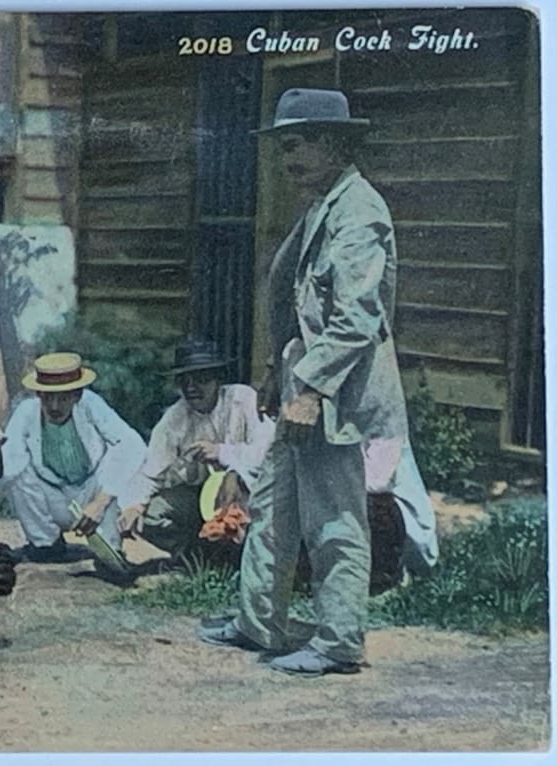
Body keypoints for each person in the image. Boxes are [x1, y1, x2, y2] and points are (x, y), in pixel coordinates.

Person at [197, 88, 409, 677]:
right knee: (271, 510)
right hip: (300, 390)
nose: (287, 157)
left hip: (333, 399)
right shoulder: (321, 205)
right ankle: (257, 621)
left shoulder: (359, 212)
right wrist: (275, 374)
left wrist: (311, 390)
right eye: (283, 145)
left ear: (334, 143)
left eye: (297, 143)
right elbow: (300, 304)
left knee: (334, 521)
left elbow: (357, 319)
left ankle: (339, 643)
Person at [0, 353, 144, 577]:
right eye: (47, 397)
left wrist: (99, 503)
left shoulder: (91, 404)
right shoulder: (27, 412)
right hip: (52, 496)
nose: (54, 406)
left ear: (77, 394)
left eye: (63, 397)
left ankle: (108, 546)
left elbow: (132, 445)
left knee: (115, 461)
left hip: (92, 492)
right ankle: (45, 543)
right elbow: (8, 472)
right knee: (20, 475)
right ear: (38, 394)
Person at [117, 338, 275, 563]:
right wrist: (133, 505)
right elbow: (151, 471)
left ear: (218, 379)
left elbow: (268, 450)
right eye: (184, 381)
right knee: (154, 512)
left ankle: (243, 557)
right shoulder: (174, 418)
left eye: (201, 379)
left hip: (248, 490)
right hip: (198, 498)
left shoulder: (244, 400)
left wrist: (224, 455)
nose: (191, 388)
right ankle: (191, 556)